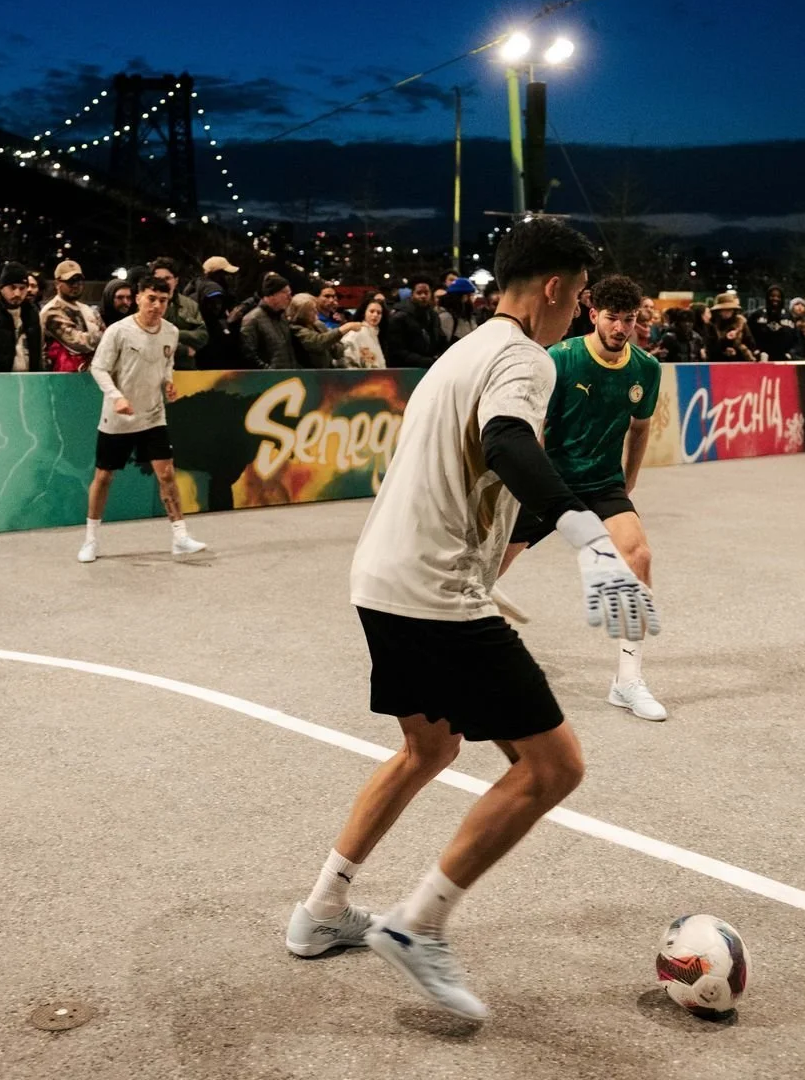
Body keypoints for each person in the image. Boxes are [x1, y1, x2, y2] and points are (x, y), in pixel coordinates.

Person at [285, 219, 657, 1022]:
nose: (580, 311)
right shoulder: (523, 357)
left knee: (429, 745)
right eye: (581, 295)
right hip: (436, 591)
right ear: (556, 289)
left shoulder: (461, 351)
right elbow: (506, 444)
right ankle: (418, 927)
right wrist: (589, 535)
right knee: (553, 767)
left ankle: (320, 911)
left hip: (378, 576)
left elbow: (479, 467)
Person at [500, 273, 665, 719]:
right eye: (612, 318)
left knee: (639, 557)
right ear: (593, 315)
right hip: (550, 482)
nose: (620, 328)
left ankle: (627, 682)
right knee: (486, 571)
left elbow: (641, 426)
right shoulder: (561, 358)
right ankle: (455, 652)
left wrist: (628, 482)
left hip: (603, 483)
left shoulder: (646, 369)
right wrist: (535, 483)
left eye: (629, 320)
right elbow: (533, 426)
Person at [79, 274, 206, 563]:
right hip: (118, 418)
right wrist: (116, 397)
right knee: (104, 476)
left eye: (163, 300)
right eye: (151, 298)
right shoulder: (118, 331)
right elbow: (98, 368)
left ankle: (180, 536)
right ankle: (91, 539)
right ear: (138, 298)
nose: (157, 305)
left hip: (153, 415)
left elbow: (167, 363)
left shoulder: (171, 332)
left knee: (167, 474)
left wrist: (168, 382)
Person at [40, 259, 103, 371]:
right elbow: (78, 343)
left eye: (79, 281)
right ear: (57, 283)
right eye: (70, 281)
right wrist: (101, 338)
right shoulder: (51, 311)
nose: (75, 285)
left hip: (89, 374)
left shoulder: (88, 309)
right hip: (59, 378)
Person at [150, 257, 208, 370]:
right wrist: (184, 350)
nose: (163, 283)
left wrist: (174, 334)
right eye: (158, 279)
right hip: (154, 370)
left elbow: (203, 336)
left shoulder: (190, 305)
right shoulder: (146, 305)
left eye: (167, 278)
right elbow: (147, 340)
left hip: (185, 371)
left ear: (176, 280)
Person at [287, 293, 362, 367]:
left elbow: (337, 351)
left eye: (315, 308)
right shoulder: (295, 328)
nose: (316, 312)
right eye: (311, 310)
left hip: (326, 372)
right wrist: (345, 328)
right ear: (301, 313)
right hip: (306, 374)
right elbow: (318, 342)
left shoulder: (318, 325)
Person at [382, 277, 443, 368]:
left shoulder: (433, 315)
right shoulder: (400, 317)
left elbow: (441, 339)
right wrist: (423, 361)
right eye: (419, 293)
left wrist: (438, 356)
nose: (423, 296)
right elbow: (396, 350)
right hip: (406, 370)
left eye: (426, 293)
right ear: (412, 294)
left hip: (430, 368)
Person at [192, 256, 240, 369]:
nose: (230, 278)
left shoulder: (196, 286)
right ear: (217, 274)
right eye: (226, 274)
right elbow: (213, 318)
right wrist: (229, 322)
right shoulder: (213, 290)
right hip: (213, 349)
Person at [240, 274, 297, 369]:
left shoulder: (282, 316)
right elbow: (249, 355)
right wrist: (268, 372)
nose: (290, 298)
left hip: (287, 376)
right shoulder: (252, 319)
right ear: (272, 294)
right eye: (286, 293)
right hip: (269, 380)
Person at [747, 285, 798, 362]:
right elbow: (748, 335)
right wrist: (756, 351)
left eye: (778, 296)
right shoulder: (757, 315)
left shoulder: (789, 316)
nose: (775, 299)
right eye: (772, 296)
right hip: (761, 358)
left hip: (784, 359)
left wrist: (791, 354)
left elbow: (796, 338)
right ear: (767, 297)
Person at [704, 292, 756, 362]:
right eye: (724, 309)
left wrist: (737, 351)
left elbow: (751, 344)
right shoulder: (711, 324)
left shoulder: (740, 322)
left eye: (730, 309)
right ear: (718, 311)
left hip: (739, 362)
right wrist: (724, 349)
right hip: (717, 363)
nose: (728, 311)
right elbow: (709, 346)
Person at [341, 297, 386, 369]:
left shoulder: (375, 334)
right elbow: (345, 356)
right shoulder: (356, 332)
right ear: (364, 313)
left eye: (379, 313)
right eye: (371, 311)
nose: (375, 315)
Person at [439, 277, 478, 346]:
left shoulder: (469, 316)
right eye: (472, 295)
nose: (474, 299)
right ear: (464, 297)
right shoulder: (446, 317)